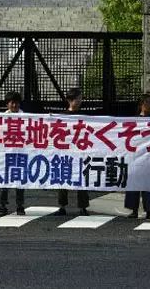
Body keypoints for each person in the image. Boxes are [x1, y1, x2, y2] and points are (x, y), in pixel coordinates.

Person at [54, 88, 90, 216]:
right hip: (66, 152)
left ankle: (83, 206)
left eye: (80, 98)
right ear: (70, 100)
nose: (80, 101)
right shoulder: (62, 116)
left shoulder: (84, 116)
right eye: (77, 99)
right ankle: (62, 206)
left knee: (82, 180)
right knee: (63, 179)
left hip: (80, 152)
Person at [125, 94, 150, 221]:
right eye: (147, 102)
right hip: (135, 155)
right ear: (141, 104)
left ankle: (149, 211)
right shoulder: (134, 120)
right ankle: (133, 210)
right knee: (134, 183)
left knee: (148, 185)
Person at [0, 91, 26, 216]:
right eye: (12, 103)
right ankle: (3, 204)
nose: (14, 105)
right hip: (6, 154)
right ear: (7, 104)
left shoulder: (26, 117)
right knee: (5, 181)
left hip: (21, 153)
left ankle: (20, 205)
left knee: (20, 182)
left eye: (17, 103)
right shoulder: (2, 118)